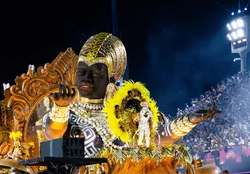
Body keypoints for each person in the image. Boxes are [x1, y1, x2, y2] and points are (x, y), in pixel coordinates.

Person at [43, 32, 219, 157]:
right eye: (82, 71)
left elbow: (158, 138)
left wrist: (190, 120)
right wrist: (61, 107)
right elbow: (54, 134)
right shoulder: (67, 113)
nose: (86, 78)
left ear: (111, 78)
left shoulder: (126, 110)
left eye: (96, 73)